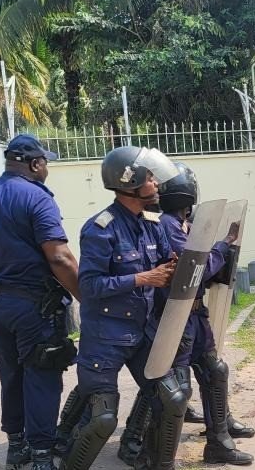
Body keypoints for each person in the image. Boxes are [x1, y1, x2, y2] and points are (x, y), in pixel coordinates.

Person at [118, 163, 254, 466]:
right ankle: (144, 449)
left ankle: (219, 440)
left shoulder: (181, 224)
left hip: (194, 313)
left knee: (214, 370)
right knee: (172, 389)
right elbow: (194, 271)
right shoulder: (167, 224)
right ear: (188, 193)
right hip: (176, 317)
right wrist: (223, 246)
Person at [59, 145, 185, 470]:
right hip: (106, 338)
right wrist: (143, 278)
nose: (156, 183)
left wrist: (174, 267)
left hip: (142, 333)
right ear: (131, 182)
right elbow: (90, 286)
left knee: (172, 399)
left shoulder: (152, 223)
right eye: (150, 177)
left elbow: (164, 265)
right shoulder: (100, 229)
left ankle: (157, 464)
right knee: (102, 419)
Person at [0, 135, 81, 470]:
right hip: (34, 306)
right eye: (45, 163)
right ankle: (42, 455)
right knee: (42, 374)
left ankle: (17, 447)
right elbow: (59, 257)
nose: (46, 169)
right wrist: (87, 298)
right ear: (34, 164)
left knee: (11, 374)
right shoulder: (37, 198)